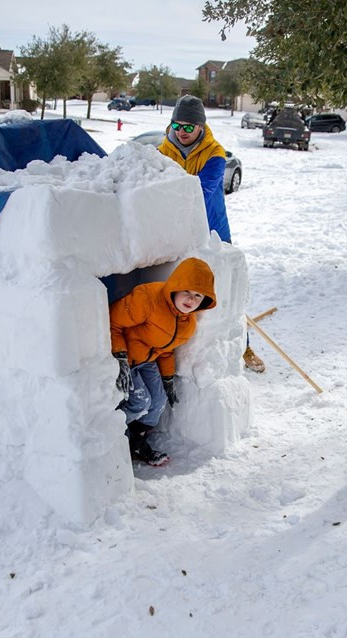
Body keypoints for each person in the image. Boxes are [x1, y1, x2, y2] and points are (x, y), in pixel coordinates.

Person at [158, 95, 266, 374]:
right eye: (177, 126)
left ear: (201, 127)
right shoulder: (163, 150)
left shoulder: (215, 154)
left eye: (189, 127)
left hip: (214, 232)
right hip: (178, 231)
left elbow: (199, 193)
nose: (182, 132)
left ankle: (244, 345)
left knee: (226, 291)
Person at [109, 257, 217, 466]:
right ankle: (112, 435)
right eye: (186, 290)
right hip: (126, 356)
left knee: (158, 403)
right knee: (141, 402)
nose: (190, 299)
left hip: (148, 361)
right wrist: (120, 356)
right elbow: (113, 322)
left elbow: (165, 351)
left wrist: (167, 378)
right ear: (175, 286)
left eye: (197, 295)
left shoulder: (187, 324)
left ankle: (137, 443)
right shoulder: (148, 298)